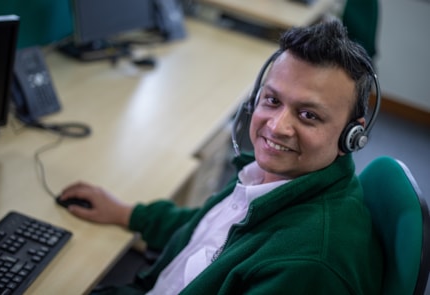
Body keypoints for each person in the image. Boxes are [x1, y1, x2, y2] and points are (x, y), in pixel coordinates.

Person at [59, 19, 384, 294]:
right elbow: (209, 228)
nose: (277, 126)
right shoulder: (274, 177)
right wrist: (128, 214)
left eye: (308, 115)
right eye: (272, 100)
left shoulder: (309, 267)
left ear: (351, 136)